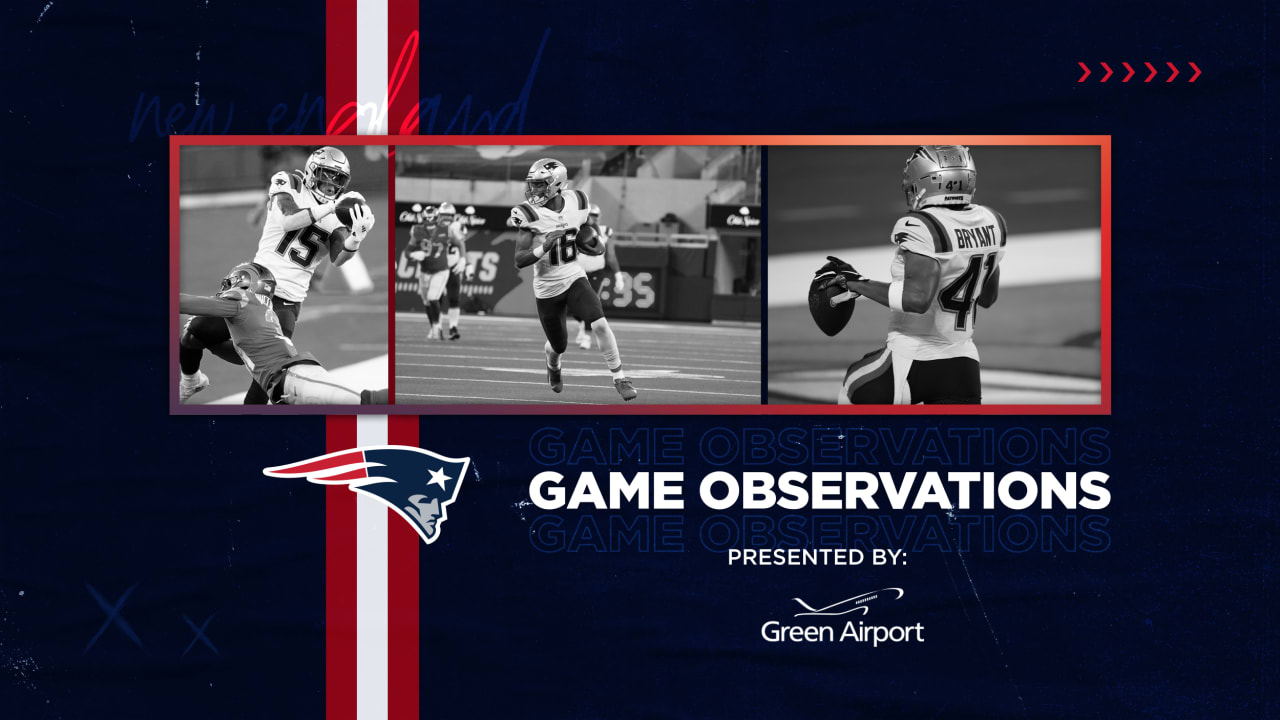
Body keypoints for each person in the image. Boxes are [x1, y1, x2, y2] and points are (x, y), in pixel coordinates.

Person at [178, 146, 375, 403]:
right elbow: (289, 220)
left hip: (288, 300)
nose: (331, 183)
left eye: (338, 179)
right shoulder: (289, 182)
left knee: (266, 380)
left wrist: (355, 239)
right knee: (193, 333)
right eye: (327, 174)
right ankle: (191, 381)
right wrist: (329, 208)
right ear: (313, 171)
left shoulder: (336, 217)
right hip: (254, 284)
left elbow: (339, 259)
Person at [818, 145, 1006, 404]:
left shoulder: (921, 225)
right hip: (964, 365)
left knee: (852, 386)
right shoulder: (993, 221)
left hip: (910, 361)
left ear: (930, 183)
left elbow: (917, 299)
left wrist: (858, 284)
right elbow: (987, 298)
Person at [509, 158, 637, 401]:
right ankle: (553, 365)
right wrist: (544, 247)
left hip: (574, 275)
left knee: (599, 322)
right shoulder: (527, 213)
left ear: (556, 184)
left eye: (539, 184)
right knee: (558, 346)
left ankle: (619, 377)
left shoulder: (577, 201)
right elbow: (519, 259)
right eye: (533, 185)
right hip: (547, 288)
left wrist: (593, 242)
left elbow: (588, 228)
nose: (534, 190)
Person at [179, 263, 388, 405]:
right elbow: (245, 357)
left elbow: (185, 303)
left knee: (369, 401)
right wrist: (207, 343)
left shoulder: (242, 301)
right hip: (285, 389)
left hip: (295, 380)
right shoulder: (259, 317)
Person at [405, 205, 462, 340]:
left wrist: (464, 259)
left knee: (433, 298)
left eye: (432, 220)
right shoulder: (417, 230)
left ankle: (437, 327)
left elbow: (460, 243)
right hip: (424, 271)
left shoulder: (446, 230)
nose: (429, 224)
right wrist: (413, 255)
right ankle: (434, 328)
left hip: (441, 270)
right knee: (426, 302)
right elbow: (407, 251)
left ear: (437, 219)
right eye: (427, 220)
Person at [573, 204, 624, 350]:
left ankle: (587, 335)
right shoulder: (575, 229)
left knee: (591, 302)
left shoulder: (605, 231)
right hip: (577, 271)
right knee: (573, 304)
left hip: (596, 272)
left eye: (594, 216)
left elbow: (611, 255)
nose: (591, 218)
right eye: (590, 215)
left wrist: (618, 275)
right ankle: (582, 324)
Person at [436, 201, 470, 341]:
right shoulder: (432, 228)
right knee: (437, 299)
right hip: (437, 267)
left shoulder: (457, 227)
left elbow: (461, 243)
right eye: (443, 215)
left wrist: (463, 261)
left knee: (454, 298)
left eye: (449, 215)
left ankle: (453, 327)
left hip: (453, 266)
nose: (446, 218)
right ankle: (437, 327)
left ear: (454, 216)